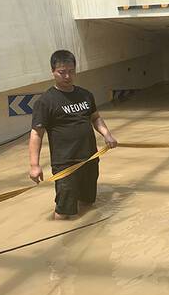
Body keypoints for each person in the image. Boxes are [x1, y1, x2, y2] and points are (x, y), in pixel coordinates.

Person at [29, 50, 117, 220]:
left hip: (90, 158)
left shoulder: (85, 95)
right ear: (53, 72)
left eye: (71, 71)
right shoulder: (45, 101)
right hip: (66, 164)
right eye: (62, 72)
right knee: (63, 212)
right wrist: (34, 165)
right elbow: (36, 134)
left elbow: (95, 118)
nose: (67, 76)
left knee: (88, 202)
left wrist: (107, 135)